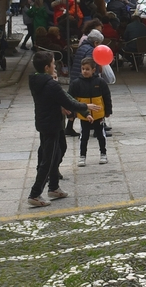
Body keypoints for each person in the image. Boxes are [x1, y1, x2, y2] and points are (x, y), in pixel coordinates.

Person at [27, 52, 100, 207]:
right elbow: (68, 101)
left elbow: (57, 100)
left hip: (47, 122)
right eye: (53, 64)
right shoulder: (50, 84)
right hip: (51, 125)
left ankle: (54, 187)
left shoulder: (37, 80)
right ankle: (35, 194)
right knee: (48, 159)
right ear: (46, 67)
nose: (55, 66)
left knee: (59, 151)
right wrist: (86, 107)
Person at [69, 57, 113, 166]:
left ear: (93, 70)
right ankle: (82, 156)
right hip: (84, 116)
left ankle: (103, 153)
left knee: (100, 135)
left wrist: (108, 110)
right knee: (84, 136)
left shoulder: (100, 82)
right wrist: (72, 113)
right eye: (83, 69)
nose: (85, 71)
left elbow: (107, 97)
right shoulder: (76, 83)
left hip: (98, 114)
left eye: (87, 69)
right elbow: (71, 99)